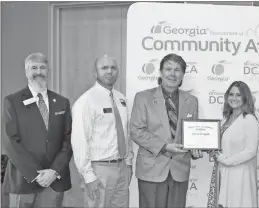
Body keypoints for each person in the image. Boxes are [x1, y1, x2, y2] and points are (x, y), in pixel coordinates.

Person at [130, 53, 203, 208]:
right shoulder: (143, 98)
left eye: (177, 70)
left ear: (183, 74)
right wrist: (164, 147)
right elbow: (136, 131)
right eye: (168, 69)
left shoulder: (191, 101)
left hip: (179, 169)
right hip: (152, 169)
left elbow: (193, 134)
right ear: (161, 72)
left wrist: (195, 148)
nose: (172, 73)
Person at [2, 52, 73, 208]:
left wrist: (53, 171)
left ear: (48, 71)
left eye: (43, 67)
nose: (39, 72)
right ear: (26, 72)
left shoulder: (62, 102)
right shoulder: (12, 101)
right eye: (33, 68)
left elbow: (68, 140)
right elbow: (9, 141)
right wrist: (36, 174)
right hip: (23, 181)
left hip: (54, 181)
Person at [71, 54, 134, 207]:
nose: (109, 71)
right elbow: (80, 140)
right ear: (95, 72)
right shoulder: (86, 101)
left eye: (113, 68)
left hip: (122, 168)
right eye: (104, 68)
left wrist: (129, 163)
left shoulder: (121, 99)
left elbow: (127, 133)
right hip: (99, 170)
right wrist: (88, 176)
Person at [207, 81, 259, 208]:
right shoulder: (226, 118)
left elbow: (251, 151)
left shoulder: (249, 119)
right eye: (231, 94)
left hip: (239, 174)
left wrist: (227, 161)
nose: (233, 98)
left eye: (238, 95)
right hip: (223, 171)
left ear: (245, 97)